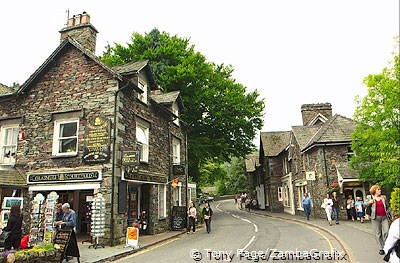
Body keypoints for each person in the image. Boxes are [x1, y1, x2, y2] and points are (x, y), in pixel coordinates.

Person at [367, 185, 392, 255]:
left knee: (386, 232)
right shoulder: (371, 198)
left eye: (379, 189)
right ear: (374, 191)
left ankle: (387, 246)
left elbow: (387, 206)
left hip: (384, 217)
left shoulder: (383, 197)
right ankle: (381, 248)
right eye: (378, 190)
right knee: (378, 234)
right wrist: (369, 202)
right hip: (375, 218)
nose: (380, 190)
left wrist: (390, 214)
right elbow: (364, 204)